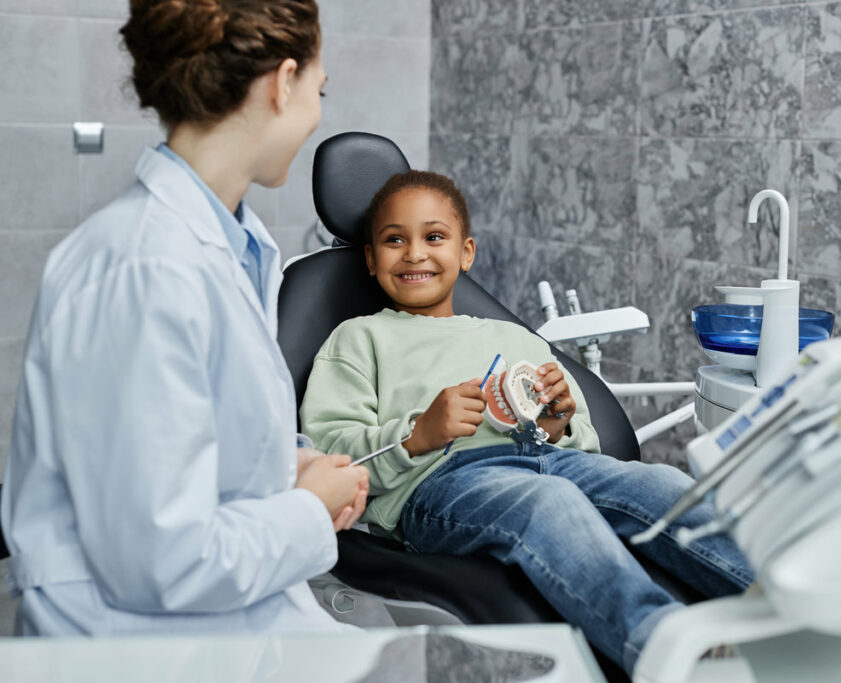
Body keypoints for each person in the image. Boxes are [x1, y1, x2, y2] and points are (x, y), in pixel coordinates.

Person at [0, 0, 370, 636]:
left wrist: (294, 465)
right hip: (133, 646)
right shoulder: (147, 269)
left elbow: (203, 447)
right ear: (283, 84)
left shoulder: (230, 247)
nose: (316, 115)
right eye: (319, 89)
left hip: (231, 623)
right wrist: (309, 509)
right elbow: (162, 560)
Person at [299, 170, 754, 675]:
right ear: (370, 258)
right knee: (548, 503)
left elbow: (582, 437)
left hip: (547, 458)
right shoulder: (359, 339)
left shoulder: (511, 336)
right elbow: (333, 456)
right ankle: (661, 642)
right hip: (443, 488)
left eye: (433, 237)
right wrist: (418, 433)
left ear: (466, 252)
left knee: (662, 484)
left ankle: (773, 603)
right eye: (393, 240)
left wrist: (560, 423)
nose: (414, 253)